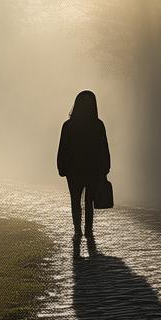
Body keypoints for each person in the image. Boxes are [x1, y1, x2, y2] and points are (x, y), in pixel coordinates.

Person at [57, 90, 110, 245]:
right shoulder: (98, 125)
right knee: (89, 202)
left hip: (73, 170)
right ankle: (88, 230)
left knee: (75, 200)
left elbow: (63, 148)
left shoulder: (68, 125)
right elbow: (103, 148)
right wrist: (106, 167)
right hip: (93, 169)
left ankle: (77, 230)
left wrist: (61, 167)